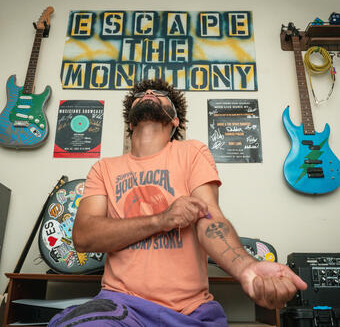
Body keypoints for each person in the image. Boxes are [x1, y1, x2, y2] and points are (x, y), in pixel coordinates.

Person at [49, 79, 307, 327]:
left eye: (160, 95)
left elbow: (210, 219)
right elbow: (84, 236)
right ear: (130, 121)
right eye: (142, 94)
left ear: (175, 120)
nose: (148, 93)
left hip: (191, 311)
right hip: (121, 305)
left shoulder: (192, 152)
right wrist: (160, 220)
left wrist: (247, 267)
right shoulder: (103, 168)